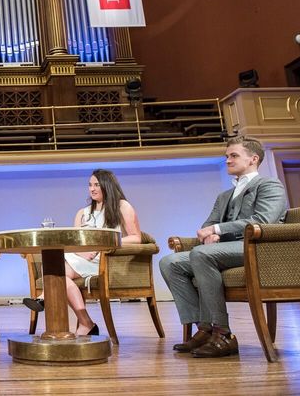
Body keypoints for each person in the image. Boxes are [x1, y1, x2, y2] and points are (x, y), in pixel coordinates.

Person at [159, 136, 286, 358]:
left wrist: (217, 230)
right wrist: (210, 232)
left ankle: (223, 333)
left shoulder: (269, 185)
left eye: (234, 156)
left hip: (257, 248)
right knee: (170, 262)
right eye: (227, 156)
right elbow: (209, 223)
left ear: (253, 159)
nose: (227, 160)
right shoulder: (225, 195)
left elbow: (263, 220)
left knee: (200, 254)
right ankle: (205, 328)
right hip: (226, 250)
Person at [22, 169, 142, 336]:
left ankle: (44, 298)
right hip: (82, 258)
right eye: (90, 185)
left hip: (103, 259)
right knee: (55, 269)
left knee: (55, 272)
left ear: (107, 186)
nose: (92, 189)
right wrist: (82, 252)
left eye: (96, 185)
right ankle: (85, 322)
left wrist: (105, 244)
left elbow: (136, 238)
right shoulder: (82, 213)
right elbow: (75, 243)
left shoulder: (122, 206)